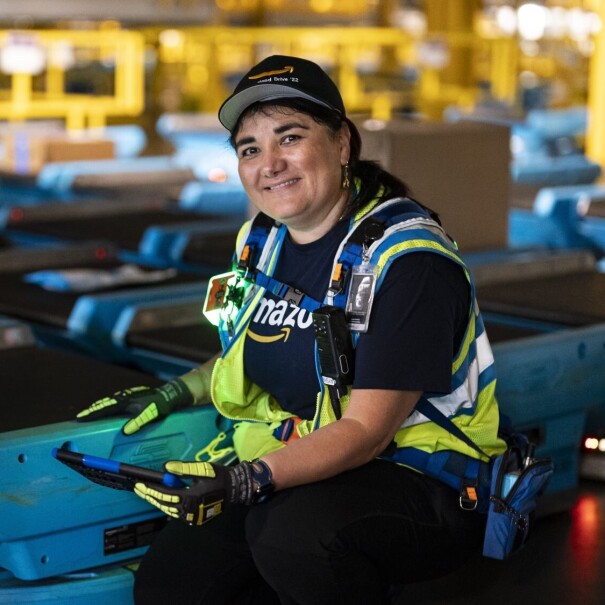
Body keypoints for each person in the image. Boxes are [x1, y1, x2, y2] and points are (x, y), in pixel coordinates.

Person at [76, 54, 506, 604]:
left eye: (290, 137)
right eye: (250, 148)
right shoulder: (260, 242)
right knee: (173, 582)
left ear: (343, 143)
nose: (269, 164)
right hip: (301, 460)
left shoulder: (408, 262)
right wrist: (177, 389)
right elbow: (250, 351)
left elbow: (367, 432)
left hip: (425, 480)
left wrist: (247, 479)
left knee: (292, 538)